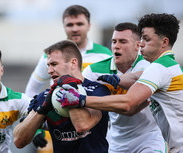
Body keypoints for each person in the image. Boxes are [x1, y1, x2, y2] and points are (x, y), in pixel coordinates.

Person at [56, 13, 183, 153]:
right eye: (114, 41)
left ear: (164, 42)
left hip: (152, 140)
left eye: (146, 39)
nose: (142, 44)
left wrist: (82, 100)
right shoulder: (167, 66)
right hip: (117, 141)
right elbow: (135, 78)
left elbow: (128, 104)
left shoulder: (157, 68)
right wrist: (117, 80)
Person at [82, 22, 166, 153]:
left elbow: (130, 109)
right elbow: (76, 94)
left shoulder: (149, 67)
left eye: (123, 41)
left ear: (137, 45)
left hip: (149, 137)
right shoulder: (93, 71)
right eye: (114, 41)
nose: (116, 46)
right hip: (116, 141)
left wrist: (86, 101)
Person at [13, 40, 111, 153]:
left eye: (54, 64)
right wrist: (42, 110)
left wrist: (70, 91)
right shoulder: (46, 96)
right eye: (48, 66)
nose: (49, 71)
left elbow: (82, 125)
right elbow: (18, 141)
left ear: (73, 63)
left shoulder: (98, 90)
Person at [25, 4, 112, 98]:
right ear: (64, 27)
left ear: (89, 26)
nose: (75, 29)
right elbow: (31, 90)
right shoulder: (49, 56)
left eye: (79, 24)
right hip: (59, 111)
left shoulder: (105, 55)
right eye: (70, 25)